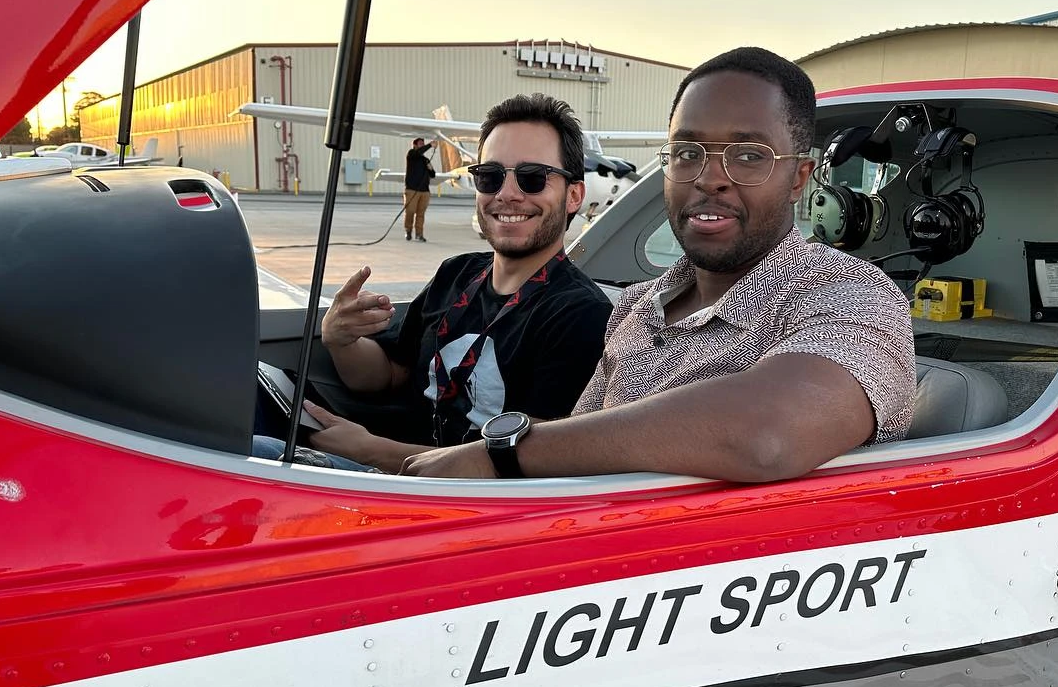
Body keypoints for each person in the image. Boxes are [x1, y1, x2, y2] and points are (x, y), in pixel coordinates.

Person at [401, 47, 916, 482]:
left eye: (749, 155)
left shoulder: (853, 297)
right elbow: (578, 461)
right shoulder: (638, 309)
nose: (710, 177)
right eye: (687, 152)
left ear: (799, 178)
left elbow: (766, 435)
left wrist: (503, 452)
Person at [254, 93, 612, 472]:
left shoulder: (582, 315)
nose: (507, 194)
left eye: (532, 178)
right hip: (385, 459)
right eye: (490, 176)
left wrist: (371, 451)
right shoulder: (455, 275)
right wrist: (341, 339)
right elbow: (391, 375)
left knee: (258, 451)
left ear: (574, 195)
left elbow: (524, 464)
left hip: (439, 498)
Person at [403, 137, 435, 241]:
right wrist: (430, 145)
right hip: (412, 190)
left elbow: (432, 174)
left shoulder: (425, 160)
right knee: (410, 211)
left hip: (424, 190)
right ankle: (408, 230)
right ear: (415, 145)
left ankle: (419, 234)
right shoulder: (411, 154)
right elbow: (418, 152)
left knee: (421, 214)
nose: (422, 145)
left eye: (423, 144)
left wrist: (430, 168)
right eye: (420, 144)